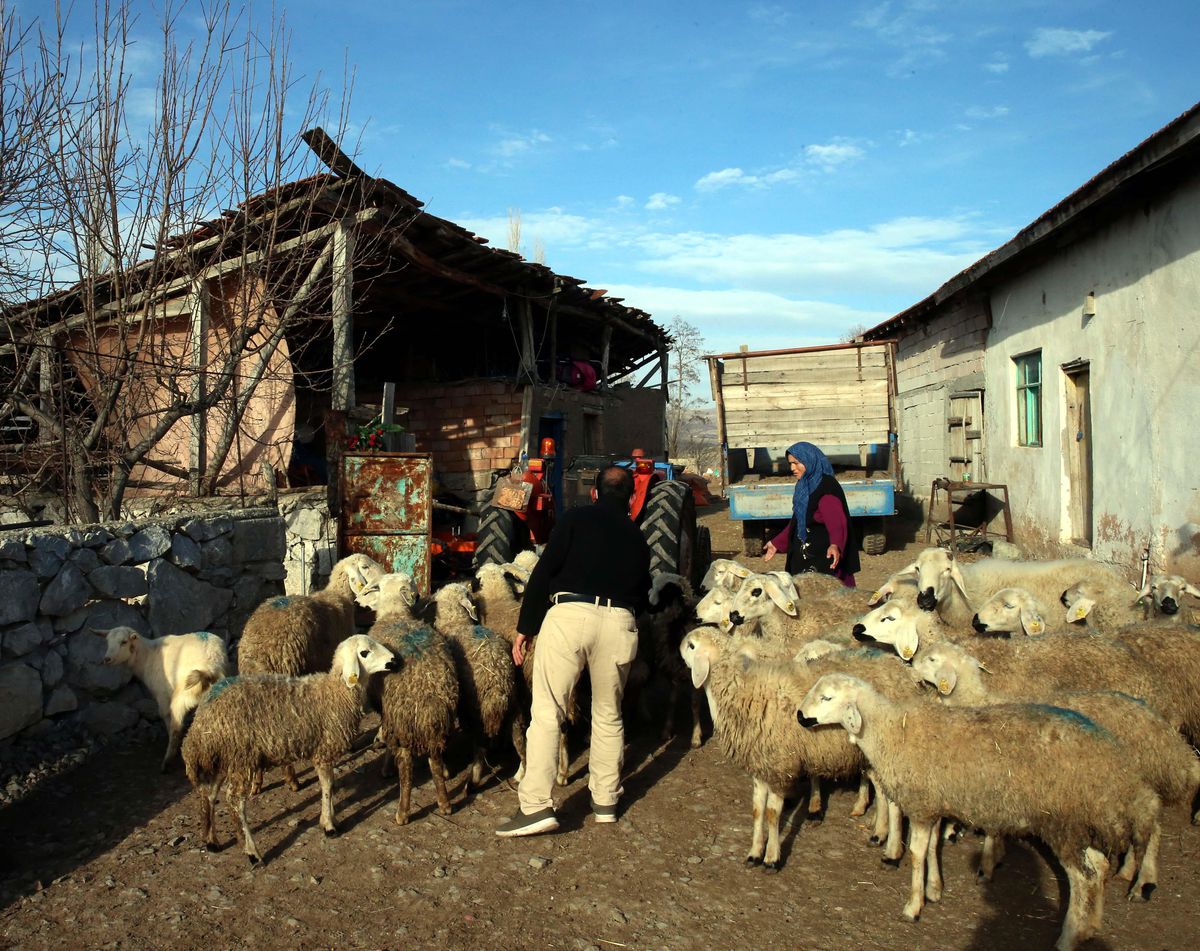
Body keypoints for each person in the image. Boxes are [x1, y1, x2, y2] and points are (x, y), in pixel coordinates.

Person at [495, 464, 651, 837]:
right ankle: (606, 801)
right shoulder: (637, 536)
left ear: (594, 492)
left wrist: (526, 628)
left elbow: (544, 572)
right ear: (631, 498)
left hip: (569, 615)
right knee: (609, 714)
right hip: (620, 622)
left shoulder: (576, 519)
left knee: (548, 711)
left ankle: (535, 808)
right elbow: (644, 591)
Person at [762, 441, 859, 588]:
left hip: (824, 561)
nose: (792, 468)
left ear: (810, 460)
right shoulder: (804, 486)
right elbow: (799, 521)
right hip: (805, 561)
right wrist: (777, 543)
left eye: (797, 463)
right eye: (790, 464)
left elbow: (837, 522)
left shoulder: (825, 487)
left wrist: (835, 545)